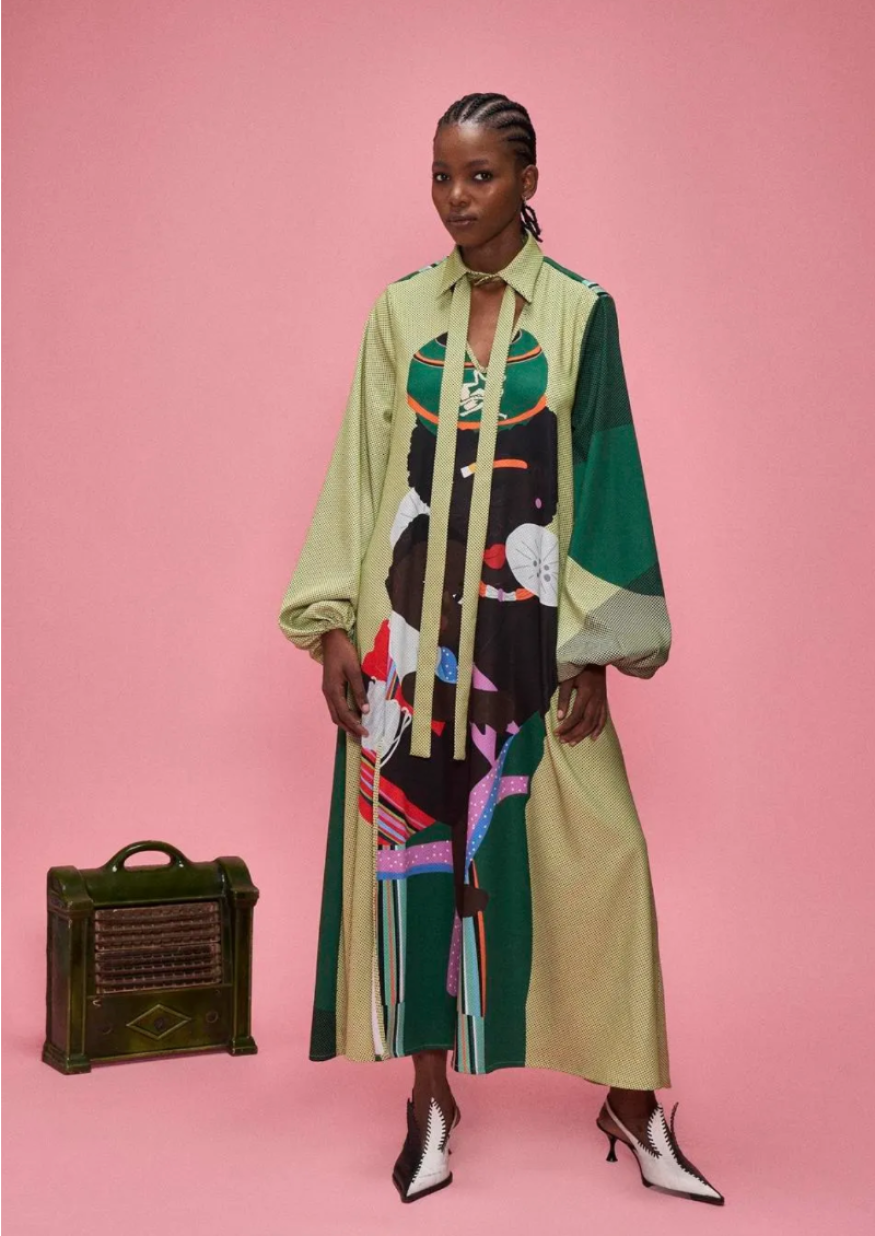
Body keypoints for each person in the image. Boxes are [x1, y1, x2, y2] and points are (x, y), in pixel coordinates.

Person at [277, 91, 724, 1207]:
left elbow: (607, 473)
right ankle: (428, 1099)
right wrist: (330, 624)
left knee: (603, 856)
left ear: (527, 182)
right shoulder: (398, 313)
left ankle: (631, 1103)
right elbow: (357, 463)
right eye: (441, 174)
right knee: (416, 862)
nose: (454, 198)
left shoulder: (579, 313)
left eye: (479, 176)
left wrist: (593, 651)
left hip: (530, 652)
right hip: (406, 650)